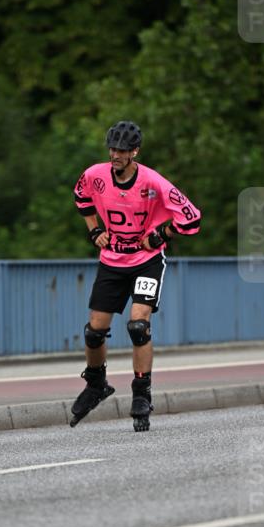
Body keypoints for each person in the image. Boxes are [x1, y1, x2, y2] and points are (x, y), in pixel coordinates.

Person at [71, 120, 201, 431]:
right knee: (94, 331)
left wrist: (160, 234)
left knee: (138, 325)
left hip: (146, 261)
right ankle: (96, 384)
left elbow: (192, 218)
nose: (115, 155)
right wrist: (95, 232)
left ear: (135, 152)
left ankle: (141, 393)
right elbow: (82, 200)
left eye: (122, 150)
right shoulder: (94, 175)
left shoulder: (153, 182)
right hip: (112, 261)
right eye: (112, 149)